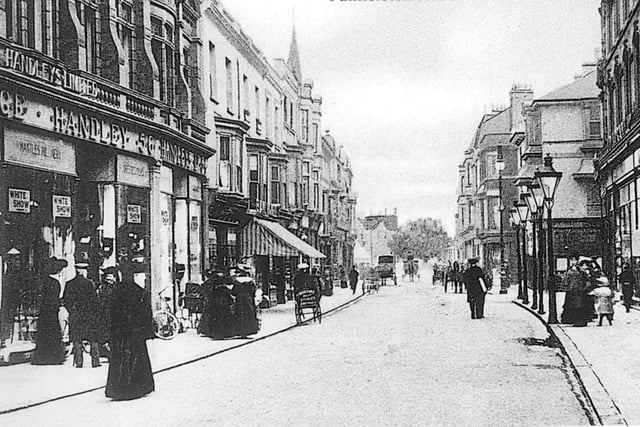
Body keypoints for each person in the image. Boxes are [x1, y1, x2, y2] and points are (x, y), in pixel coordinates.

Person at [105, 259, 155, 400]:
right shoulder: (140, 292)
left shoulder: (115, 292)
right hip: (136, 333)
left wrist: (109, 333)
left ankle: (119, 389)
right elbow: (146, 314)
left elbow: (110, 314)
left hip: (120, 333)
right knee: (137, 359)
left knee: (119, 360)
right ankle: (137, 388)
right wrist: (147, 332)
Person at [63, 261, 101, 368]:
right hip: (88, 316)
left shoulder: (69, 284)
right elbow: (95, 301)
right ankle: (95, 361)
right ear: (84, 270)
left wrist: (72, 311)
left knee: (77, 339)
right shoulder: (89, 284)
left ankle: (79, 362)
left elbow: (66, 300)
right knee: (93, 338)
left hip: (76, 315)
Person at [31, 257, 68, 365]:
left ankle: (42, 357)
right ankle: (53, 357)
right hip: (52, 312)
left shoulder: (44, 281)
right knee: (53, 334)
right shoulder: (55, 282)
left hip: (44, 312)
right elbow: (56, 298)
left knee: (44, 334)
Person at [198, 271, 235, 339]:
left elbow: (208, 294)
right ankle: (225, 333)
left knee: (215, 318)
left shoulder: (213, 288)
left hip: (215, 305)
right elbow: (229, 297)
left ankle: (214, 333)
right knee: (224, 318)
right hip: (223, 306)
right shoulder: (225, 288)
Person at [97, 266, 118, 359]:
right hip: (106, 314)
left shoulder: (113, 288)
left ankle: (109, 353)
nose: (109, 280)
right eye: (107, 278)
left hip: (110, 314)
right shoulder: (103, 288)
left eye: (111, 278)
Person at [231, 269, 259, 338]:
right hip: (248, 298)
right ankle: (248, 331)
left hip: (239, 299)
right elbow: (253, 291)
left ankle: (240, 331)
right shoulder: (250, 281)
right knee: (249, 313)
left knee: (239, 313)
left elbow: (234, 292)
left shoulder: (236, 281)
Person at [561, 256, 588, 325]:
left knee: (579, 306)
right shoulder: (569, 271)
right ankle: (571, 320)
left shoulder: (581, 270)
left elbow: (586, 279)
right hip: (572, 290)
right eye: (572, 260)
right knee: (571, 306)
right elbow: (566, 280)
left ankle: (579, 321)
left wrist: (584, 287)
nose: (573, 262)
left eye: (575, 260)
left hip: (579, 290)